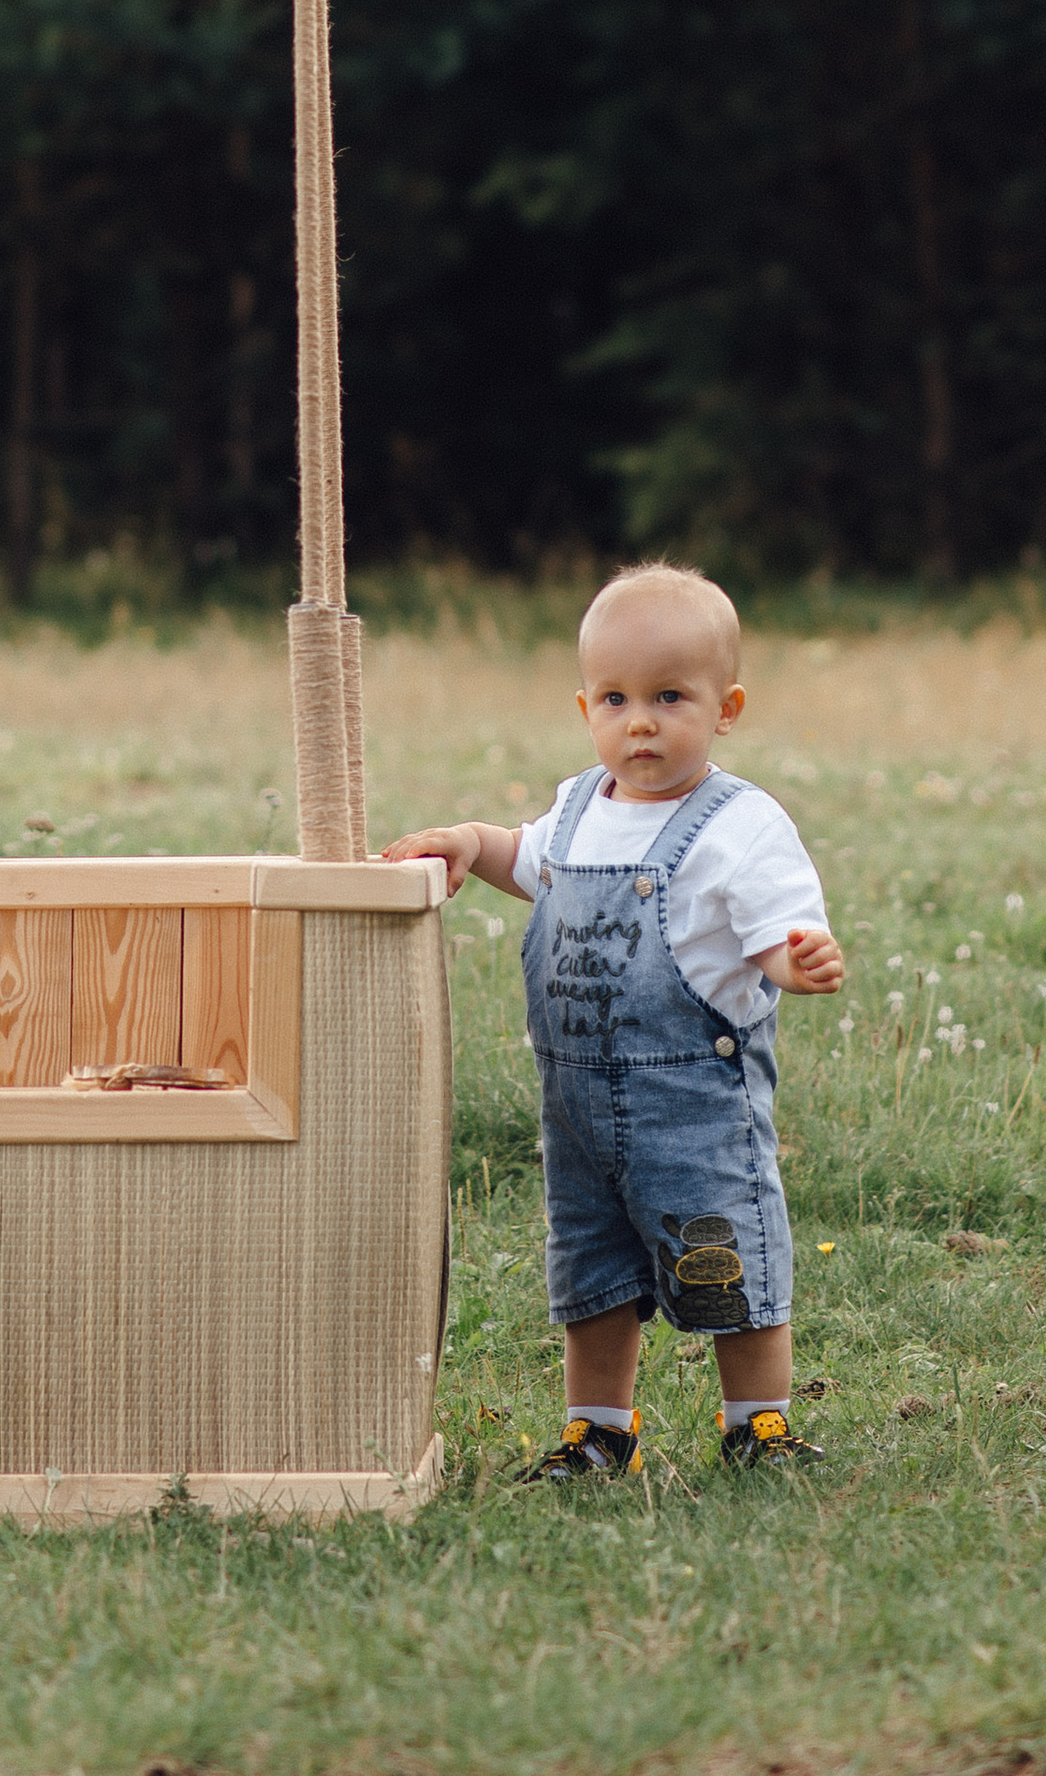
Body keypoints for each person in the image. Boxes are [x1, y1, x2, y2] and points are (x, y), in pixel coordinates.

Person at [384, 559, 845, 1481]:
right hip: (578, 1113)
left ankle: (758, 1424)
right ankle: (600, 1430)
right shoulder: (579, 809)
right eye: (615, 698)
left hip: (693, 1106)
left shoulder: (739, 826)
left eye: (670, 696)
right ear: (584, 707)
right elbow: (528, 863)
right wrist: (472, 845)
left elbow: (770, 926)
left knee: (724, 1257)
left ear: (727, 708)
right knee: (589, 1271)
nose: (640, 722)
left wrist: (791, 962)